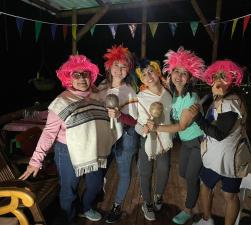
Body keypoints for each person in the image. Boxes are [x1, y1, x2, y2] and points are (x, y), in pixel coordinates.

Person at [19, 55, 118, 225]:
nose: (82, 78)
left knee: (95, 185)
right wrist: (36, 161)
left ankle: (85, 207)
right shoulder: (61, 101)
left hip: (93, 150)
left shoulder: (97, 96)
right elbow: (49, 133)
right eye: (76, 75)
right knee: (68, 190)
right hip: (67, 151)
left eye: (85, 74)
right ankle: (69, 219)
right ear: (68, 77)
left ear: (91, 76)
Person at [148, 47, 206, 225]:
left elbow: (181, 125)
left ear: (190, 77)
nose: (179, 76)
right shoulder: (174, 96)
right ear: (170, 72)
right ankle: (198, 177)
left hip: (198, 142)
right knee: (182, 172)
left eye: (184, 73)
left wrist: (157, 127)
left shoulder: (191, 98)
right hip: (186, 143)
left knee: (190, 177)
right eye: (176, 71)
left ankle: (188, 210)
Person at [190, 60, 251, 225]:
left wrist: (198, 119)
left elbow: (219, 134)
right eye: (216, 76)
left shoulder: (230, 102)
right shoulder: (222, 98)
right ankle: (206, 219)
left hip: (229, 160)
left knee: (229, 196)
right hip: (214, 157)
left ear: (232, 79)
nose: (218, 80)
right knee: (205, 185)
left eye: (223, 76)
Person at [97, 45, 139, 223]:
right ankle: (94, 199)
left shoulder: (129, 90)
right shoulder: (101, 88)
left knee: (123, 173)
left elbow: (136, 120)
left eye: (124, 66)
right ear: (109, 66)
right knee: (98, 172)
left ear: (128, 69)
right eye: (116, 65)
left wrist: (120, 115)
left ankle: (117, 206)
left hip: (126, 137)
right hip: (105, 137)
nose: (120, 70)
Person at [134, 59, 173, 221]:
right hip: (147, 140)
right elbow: (136, 122)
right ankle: (147, 203)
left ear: (158, 72)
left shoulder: (169, 93)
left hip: (166, 139)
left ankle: (158, 196)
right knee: (145, 172)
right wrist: (142, 129)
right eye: (144, 74)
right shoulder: (140, 96)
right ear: (141, 79)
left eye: (151, 71)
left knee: (164, 170)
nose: (148, 76)